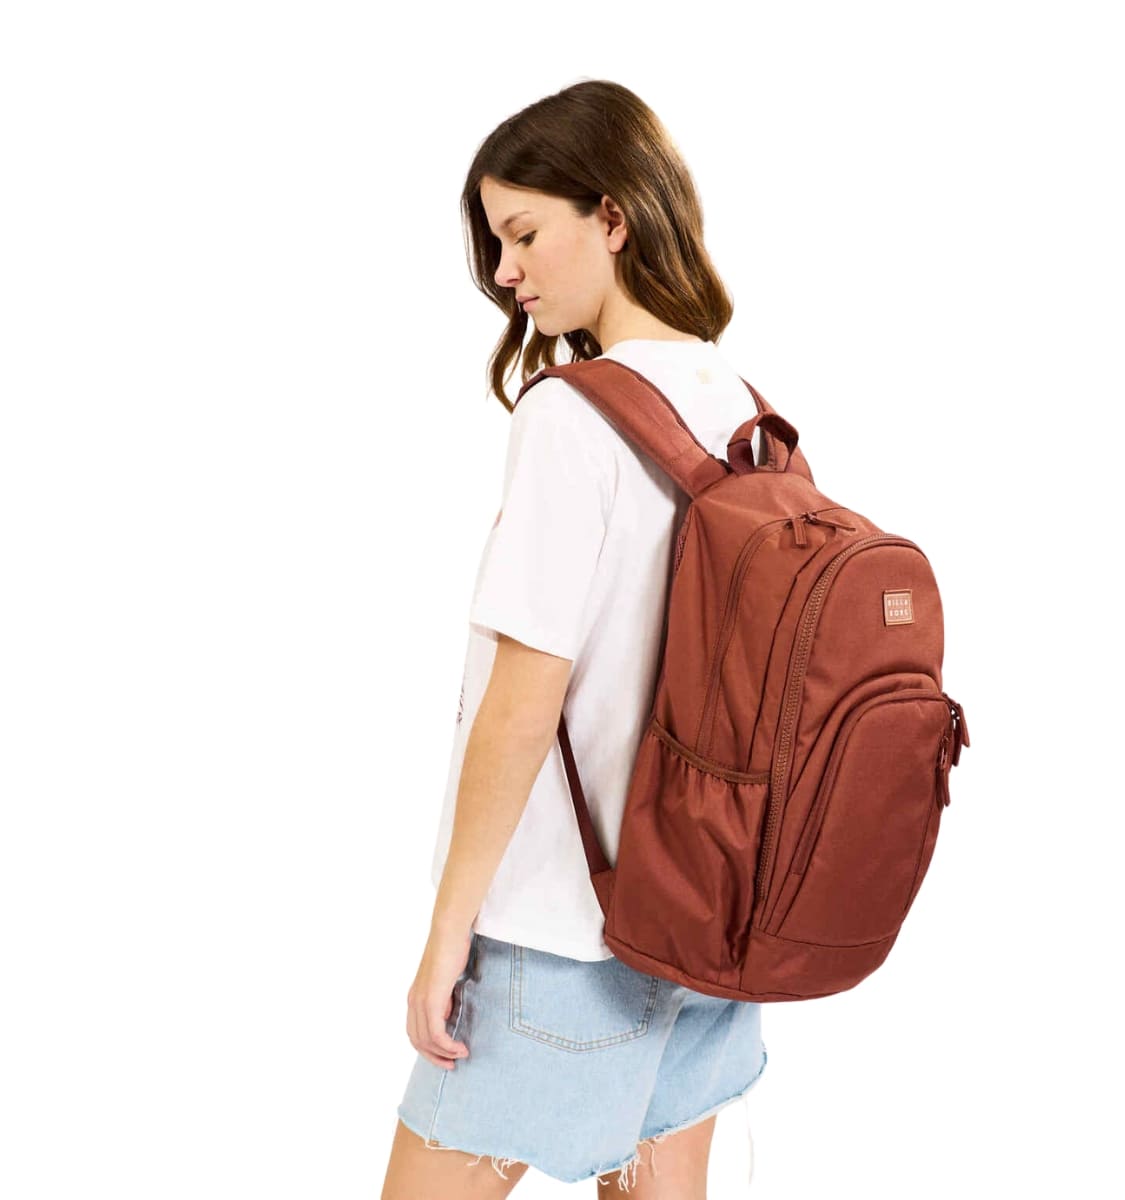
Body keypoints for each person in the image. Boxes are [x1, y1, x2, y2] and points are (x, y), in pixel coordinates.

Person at [381, 79, 769, 1199]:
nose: (506, 272)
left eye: (522, 232)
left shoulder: (573, 414)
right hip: (706, 918)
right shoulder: (743, 408)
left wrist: (448, 933)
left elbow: (525, 698)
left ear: (613, 216)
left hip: (560, 932)